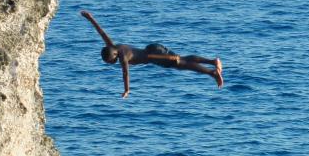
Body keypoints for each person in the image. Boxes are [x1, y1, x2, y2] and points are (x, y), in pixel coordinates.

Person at [80, 10, 224, 98]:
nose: (111, 63)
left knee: (182, 64)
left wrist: (126, 90)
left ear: (113, 56)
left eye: (110, 62)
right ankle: (212, 63)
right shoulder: (113, 46)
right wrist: (90, 18)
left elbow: (125, 73)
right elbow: (101, 32)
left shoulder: (122, 57)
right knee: (183, 60)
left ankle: (212, 72)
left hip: (155, 56)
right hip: (152, 49)